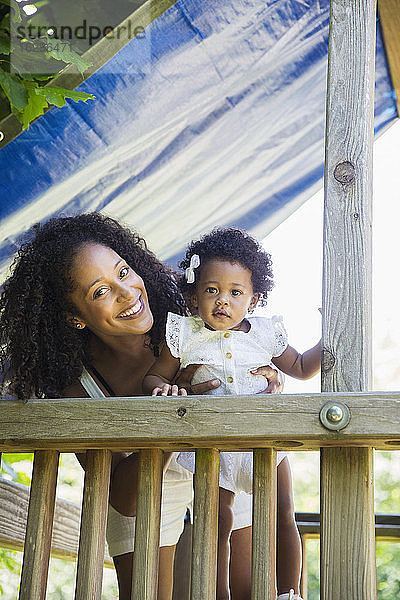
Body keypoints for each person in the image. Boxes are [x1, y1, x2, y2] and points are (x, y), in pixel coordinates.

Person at [0, 213, 282, 600]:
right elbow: (124, 500)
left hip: (221, 466)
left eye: (123, 272)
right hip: (146, 481)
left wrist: (265, 381)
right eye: (100, 292)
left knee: (255, 583)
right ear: (74, 317)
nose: (127, 292)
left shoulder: (190, 322)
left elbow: (255, 345)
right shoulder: (77, 387)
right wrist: (168, 420)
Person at [144, 227, 322, 600]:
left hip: (266, 442)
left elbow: (303, 367)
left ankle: (289, 592)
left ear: (253, 301)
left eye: (235, 293)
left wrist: (327, 335)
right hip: (213, 449)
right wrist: (163, 388)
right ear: (193, 297)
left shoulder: (263, 334)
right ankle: (217, 593)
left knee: (281, 513)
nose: (222, 300)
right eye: (211, 290)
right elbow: (156, 375)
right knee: (217, 520)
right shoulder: (185, 335)